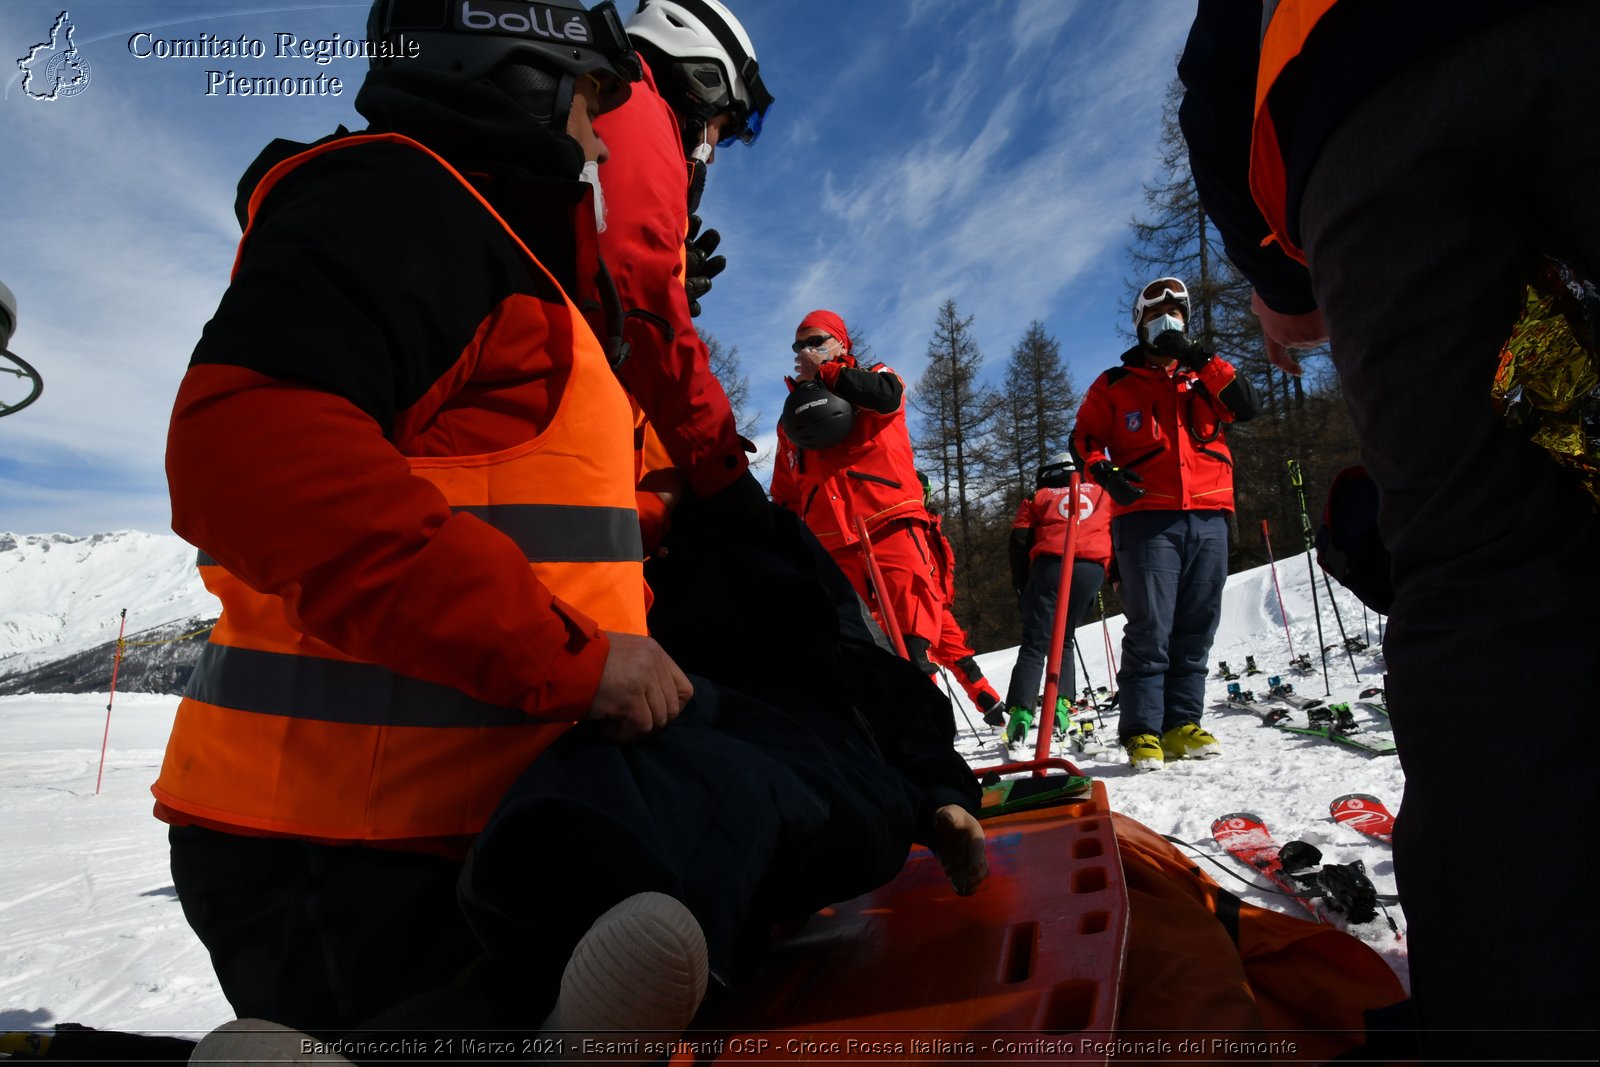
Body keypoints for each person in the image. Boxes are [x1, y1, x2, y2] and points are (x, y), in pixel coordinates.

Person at [154, 3, 983, 1057]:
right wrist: (572, 660)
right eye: (596, 101)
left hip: (475, 814)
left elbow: (558, 505)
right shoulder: (402, 200)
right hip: (341, 844)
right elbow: (252, 458)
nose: (603, 139)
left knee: (791, 780)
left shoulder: (517, 271)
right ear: (514, 66)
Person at [1177, 2, 1596, 1057]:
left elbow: (1217, 70)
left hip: (1365, 116)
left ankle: (1517, 1006)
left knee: (1481, 575)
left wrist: (1277, 277)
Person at [593, 0, 775, 548]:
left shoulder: (614, 102)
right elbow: (635, 295)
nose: (714, 147)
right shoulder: (638, 107)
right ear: (706, 77)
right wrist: (717, 467)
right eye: (725, 123)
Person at [1071, 278, 1261, 771]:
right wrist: (1103, 471)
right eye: (1156, 314)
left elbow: (1248, 406)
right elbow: (1083, 438)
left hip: (1211, 515)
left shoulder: (1206, 377)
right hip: (1147, 520)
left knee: (1197, 624)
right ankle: (1141, 730)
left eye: (1176, 311)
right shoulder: (1114, 383)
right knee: (1151, 625)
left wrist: (1199, 358)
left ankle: (1181, 723)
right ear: (1140, 324)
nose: (1167, 319)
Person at [769, 311, 945, 678]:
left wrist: (827, 373)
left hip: (888, 518)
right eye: (799, 345)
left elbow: (887, 397)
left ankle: (925, 719)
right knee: (857, 649)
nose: (806, 350)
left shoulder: (876, 376)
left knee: (912, 643)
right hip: (831, 540)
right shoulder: (791, 418)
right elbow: (787, 491)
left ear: (840, 343)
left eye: (815, 341)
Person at [1001, 454, 1112, 747]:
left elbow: (1019, 541)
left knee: (1036, 642)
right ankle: (1061, 708)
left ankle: (1021, 714)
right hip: (1091, 568)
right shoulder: (1100, 491)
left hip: (1051, 565)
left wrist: (1022, 584)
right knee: (1063, 639)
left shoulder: (1037, 497)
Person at [914, 470, 1003, 722]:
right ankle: (932, 722)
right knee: (922, 665)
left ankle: (990, 704)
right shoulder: (911, 526)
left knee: (961, 658)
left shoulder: (931, 525)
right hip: (915, 605)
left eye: (921, 492)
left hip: (937, 606)